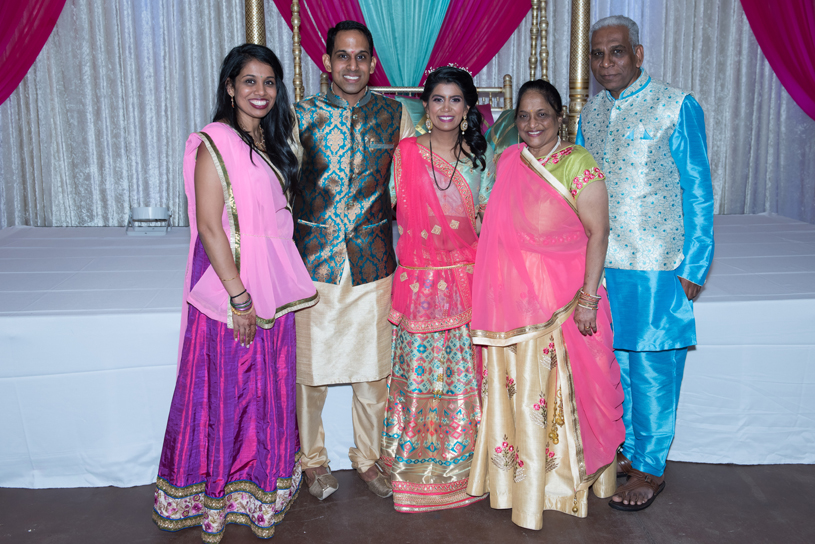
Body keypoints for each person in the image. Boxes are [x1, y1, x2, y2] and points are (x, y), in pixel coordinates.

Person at [151, 44, 318, 542]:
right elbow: (209, 226)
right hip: (234, 290)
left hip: (273, 284)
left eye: (269, 82)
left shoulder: (272, 141)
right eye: (249, 81)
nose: (261, 92)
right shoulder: (213, 142)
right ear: (229, 87)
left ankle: (260, 488)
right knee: (228, 391)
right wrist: (238, 297)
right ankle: (216, 496)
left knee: (266, 388)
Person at [466, 79, 625, 530]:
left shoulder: (579, 163)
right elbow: (501, 229)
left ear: (560, 119)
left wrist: (589, 299)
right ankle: (521, 483)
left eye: (543, 115)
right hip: (516, 307)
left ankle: (561, 484)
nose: (532, 124)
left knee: (560, 394)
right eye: (524, 116)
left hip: (563, 304)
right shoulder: (509, 160)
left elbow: (599, 233)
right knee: (523, 394)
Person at [576, 15, 715, 511]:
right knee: (614, 364)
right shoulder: (589, 115)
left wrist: (695, 264)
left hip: (659, 261)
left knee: (653, 366)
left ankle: (651, 468)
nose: (606, 62)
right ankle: (627, 454)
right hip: (602, 265)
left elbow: (697, 188)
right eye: (597, 54)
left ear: (638, 54)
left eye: (616, 52)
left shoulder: (676, 106)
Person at [291, 20, 414, 500]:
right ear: (326, 63)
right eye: (343, 56)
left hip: (372, 259)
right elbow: (282, 187)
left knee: (372, 371)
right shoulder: (301, 115)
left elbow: (409, 186)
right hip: (313, 261)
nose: (352, 65)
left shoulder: (395, 115)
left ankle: (368, 458)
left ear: (371, 64)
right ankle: (313, 461)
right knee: (311, 374)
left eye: (361, 56)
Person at [379, 66, 493, 512]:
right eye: (438, 99)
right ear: (425, 106)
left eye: (456, 100)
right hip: (420, 285)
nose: (446, 108)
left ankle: (466, 471)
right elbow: (385, 205)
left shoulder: (481, 158)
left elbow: (488, 221)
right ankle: (411, 471)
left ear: (468, 108)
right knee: (418, 377)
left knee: (465, 377)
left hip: (466, 283)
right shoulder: (405, 153)